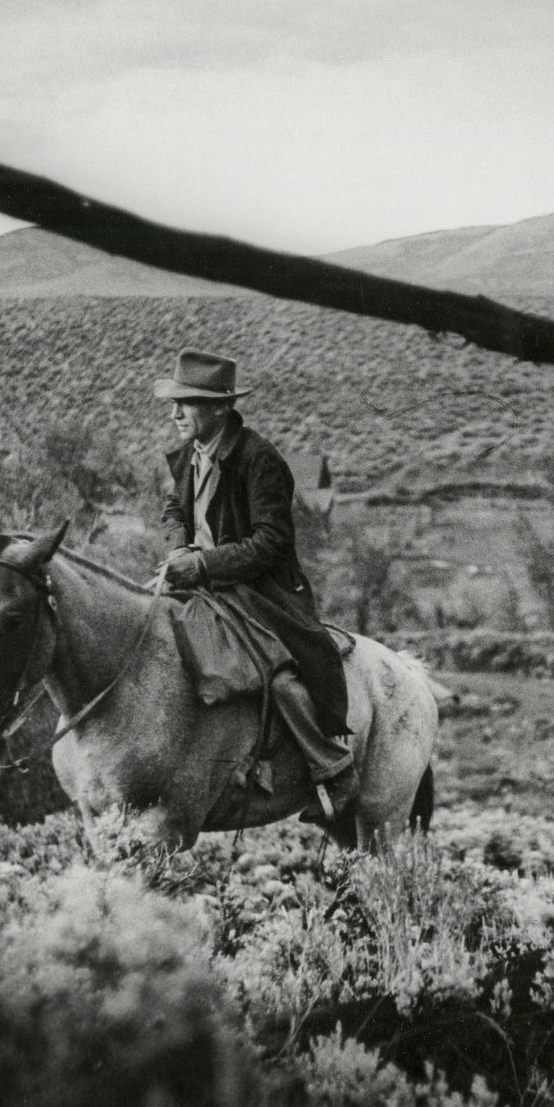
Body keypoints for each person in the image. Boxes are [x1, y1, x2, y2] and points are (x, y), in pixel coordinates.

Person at [155, 349, 358, 820]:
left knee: (276, 674)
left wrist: (202, 565)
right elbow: (173, 509)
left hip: (260, 590)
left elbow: (271, 542)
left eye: (188, 403)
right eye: (175, 403)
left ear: (222, 408)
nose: (175, 414)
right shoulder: (189, 455)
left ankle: (331, 766)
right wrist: (179, 549)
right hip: (200, 581)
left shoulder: (259, 459)